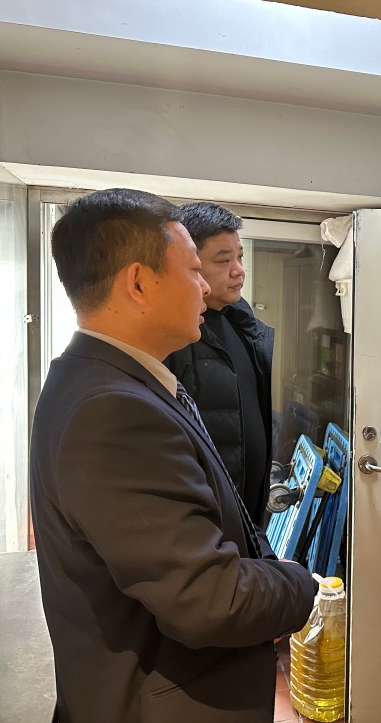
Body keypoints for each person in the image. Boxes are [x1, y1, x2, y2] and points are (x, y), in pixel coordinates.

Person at [29, 189, 316, 723]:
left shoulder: (112, 380)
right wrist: (301, 584)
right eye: (193, 269)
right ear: (138, 283)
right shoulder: (113, 411)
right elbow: (209, 600)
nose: (205, 286)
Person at [165, 202, 275, 525]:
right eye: (224, 260)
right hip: (209, 522)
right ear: (190, 263)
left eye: (239, 257)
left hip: (248, 518)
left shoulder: (240, 321)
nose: (238, 270)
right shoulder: (177, 337)